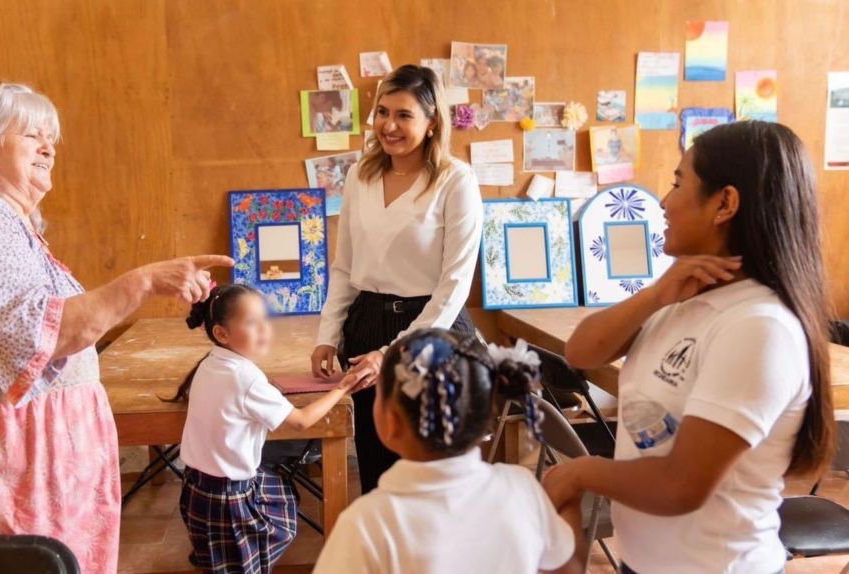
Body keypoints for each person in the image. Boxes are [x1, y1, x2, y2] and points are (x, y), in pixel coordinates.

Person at [0, 82, 233, 574]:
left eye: (51, 138)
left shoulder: (10, 224)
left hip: (28, 463)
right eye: (31, 135)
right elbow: (30, 337)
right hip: (0, 467)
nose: (48, 148)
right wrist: (144, 281)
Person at [543, 121, 835, 573]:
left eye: (678, 183)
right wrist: (656, 294)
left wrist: (581, 472)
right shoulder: (684, 295)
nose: (664, 202)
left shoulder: (759, 326)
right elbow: (581, 352)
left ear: (725, 204)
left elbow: (680, 485)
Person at [310, 64, 483, 493]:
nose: (389, 126)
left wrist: (391, 354)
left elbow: (454, 285)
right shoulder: (360, 176)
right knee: (378, 470)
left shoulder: (455, 180)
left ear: (432, 122)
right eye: (383, 113)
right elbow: (345, 266)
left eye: (404, 115)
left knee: (433, 476)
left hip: (434, 332)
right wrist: (327, 335)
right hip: (367, 326)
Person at [313, 329, 585, 574]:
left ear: (391, 423)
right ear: (485, 415)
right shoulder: (521, 489)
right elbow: (569, 567)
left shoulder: (366, 522)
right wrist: (571, 502)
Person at [167, 284, 364, 574]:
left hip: (196, 486)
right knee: (243, 560)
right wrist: (343, 388)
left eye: (265, 320)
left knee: (220, 559)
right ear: (222, 334)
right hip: (228, 496)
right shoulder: (246, 377)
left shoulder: (210, 362)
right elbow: (301, 421)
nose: (264, 330)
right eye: (251, 323)